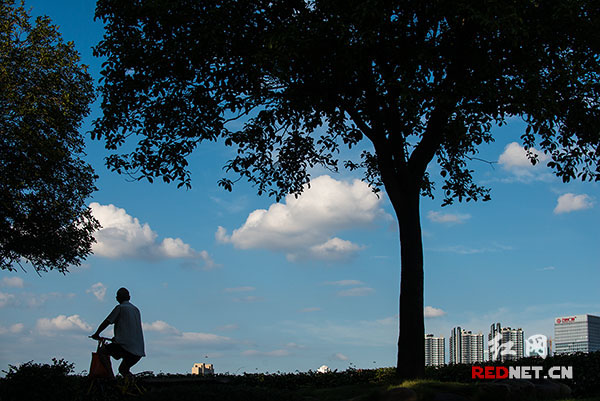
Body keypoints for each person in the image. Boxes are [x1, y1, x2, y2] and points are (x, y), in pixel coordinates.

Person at [91, 287, 145, 377]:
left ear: (117, 298)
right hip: (138, 349)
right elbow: (129, 328)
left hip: (125, 347)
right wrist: (117, 338)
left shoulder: (120, 308)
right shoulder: (135, 310)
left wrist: (97, 333)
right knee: (123, 370)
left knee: (102, 352)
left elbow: (107, 321)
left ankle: (111, 377)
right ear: (129, 297)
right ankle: (134, 385)